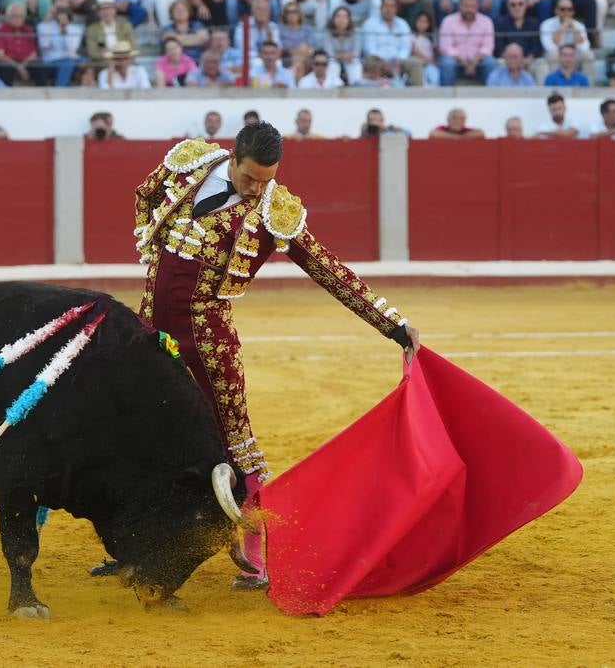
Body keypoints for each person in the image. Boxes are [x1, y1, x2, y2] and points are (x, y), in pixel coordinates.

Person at [121, 124, 420, 590]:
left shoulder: (274, 211)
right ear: (232, 159)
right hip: (150, 331)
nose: (257, 189)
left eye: (265, 180)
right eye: (249, 179)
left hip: (209, 340)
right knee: (140, 435)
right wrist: (149, 243)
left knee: (235, 442)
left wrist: (392, 325)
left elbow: (329, 270)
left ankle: (258, 555)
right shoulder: (191, 162)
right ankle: (136, 546)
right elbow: (145, 192)